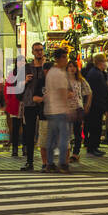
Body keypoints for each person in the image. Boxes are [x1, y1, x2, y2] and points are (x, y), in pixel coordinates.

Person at [42, 48, 74, 173]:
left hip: (50, 109)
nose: (66, 60)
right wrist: (67, 108)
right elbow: (62, 92)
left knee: (52, 138)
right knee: (63, 138)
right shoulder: (60, 74)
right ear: (60, 58)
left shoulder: (50, 72)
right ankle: (62, 163)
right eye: (65, 57)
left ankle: (50, 163)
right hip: (60, 110)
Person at [20, 42, 47, 171]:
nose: (39, 52)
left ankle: (46, 161)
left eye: (41, 50)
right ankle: (29, 161)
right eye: (36, 50)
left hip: (44, 103)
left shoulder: (47, 67)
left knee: (45, 132)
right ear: (32, 52)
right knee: (29, 133)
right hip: (29, 102)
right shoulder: (26, 68)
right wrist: (25, 81)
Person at [82, 53, 108, 157]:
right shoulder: (95, 74)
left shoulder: (96, 73)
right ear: (99, 62)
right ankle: (92, 148)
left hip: (96, 104)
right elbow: (94, 91)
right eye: (104, 61)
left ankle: (94, 147)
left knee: (95, 127)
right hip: (95, 105)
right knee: (95, 127)